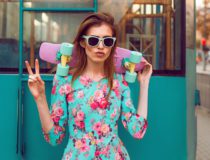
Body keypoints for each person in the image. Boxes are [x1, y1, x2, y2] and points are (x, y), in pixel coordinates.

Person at [25, 12, 152, 160]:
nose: (100, 46)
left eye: (107, 41)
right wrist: (40, 98)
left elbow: (138, 130)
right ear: (82, 42)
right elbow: (54, 137)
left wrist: (144, 85)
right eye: (93, 40)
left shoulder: (119, 82)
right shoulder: (64, 82)